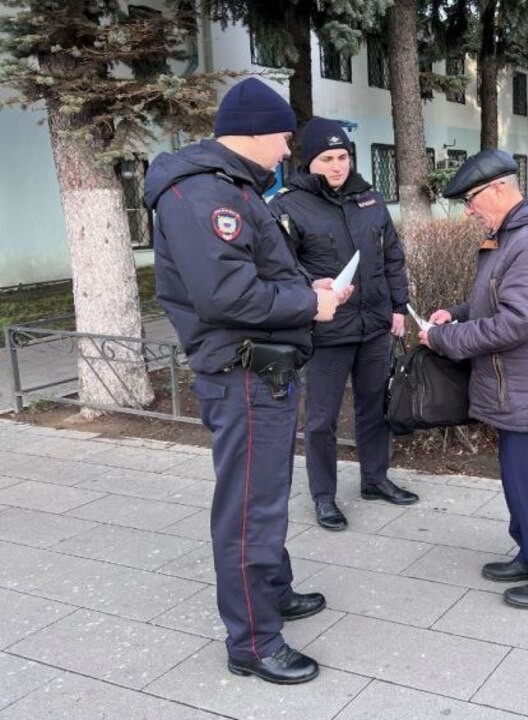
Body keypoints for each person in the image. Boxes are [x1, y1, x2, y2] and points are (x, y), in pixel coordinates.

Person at [144, 78, 350, 684]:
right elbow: (226, 293)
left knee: (264, 496)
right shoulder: (204, 194)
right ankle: (253, 642)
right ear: (256, 131)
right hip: (243, 372)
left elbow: (254, 274)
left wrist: (305, 290)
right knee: (248, 512)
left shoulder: (232, 188)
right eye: (285, 137)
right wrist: (309, 305)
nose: (289, 149)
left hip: (261, 369)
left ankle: (273, 591)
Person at [418, 149, 528, 609]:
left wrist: (443, 340)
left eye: (471, 199)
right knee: (518, 478)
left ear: (498, 189)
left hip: (527, 385)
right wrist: (454, 314)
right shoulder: (510, 236)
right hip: (515, 383)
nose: (468, 210)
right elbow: (496, 303)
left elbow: (516, 322)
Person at [270, 117, 418, 532]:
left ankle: (375, 479)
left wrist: (398, 307)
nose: (337, 166)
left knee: (375, 408)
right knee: (322, 419)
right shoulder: (286, 206)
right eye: (327, 158)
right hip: (326, 330)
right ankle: (324, 497)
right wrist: (308, 285)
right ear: (309, 162)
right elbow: (278, 267)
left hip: (373, 324)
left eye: (343, 157)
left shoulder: (369, 199)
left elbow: (392, 256)